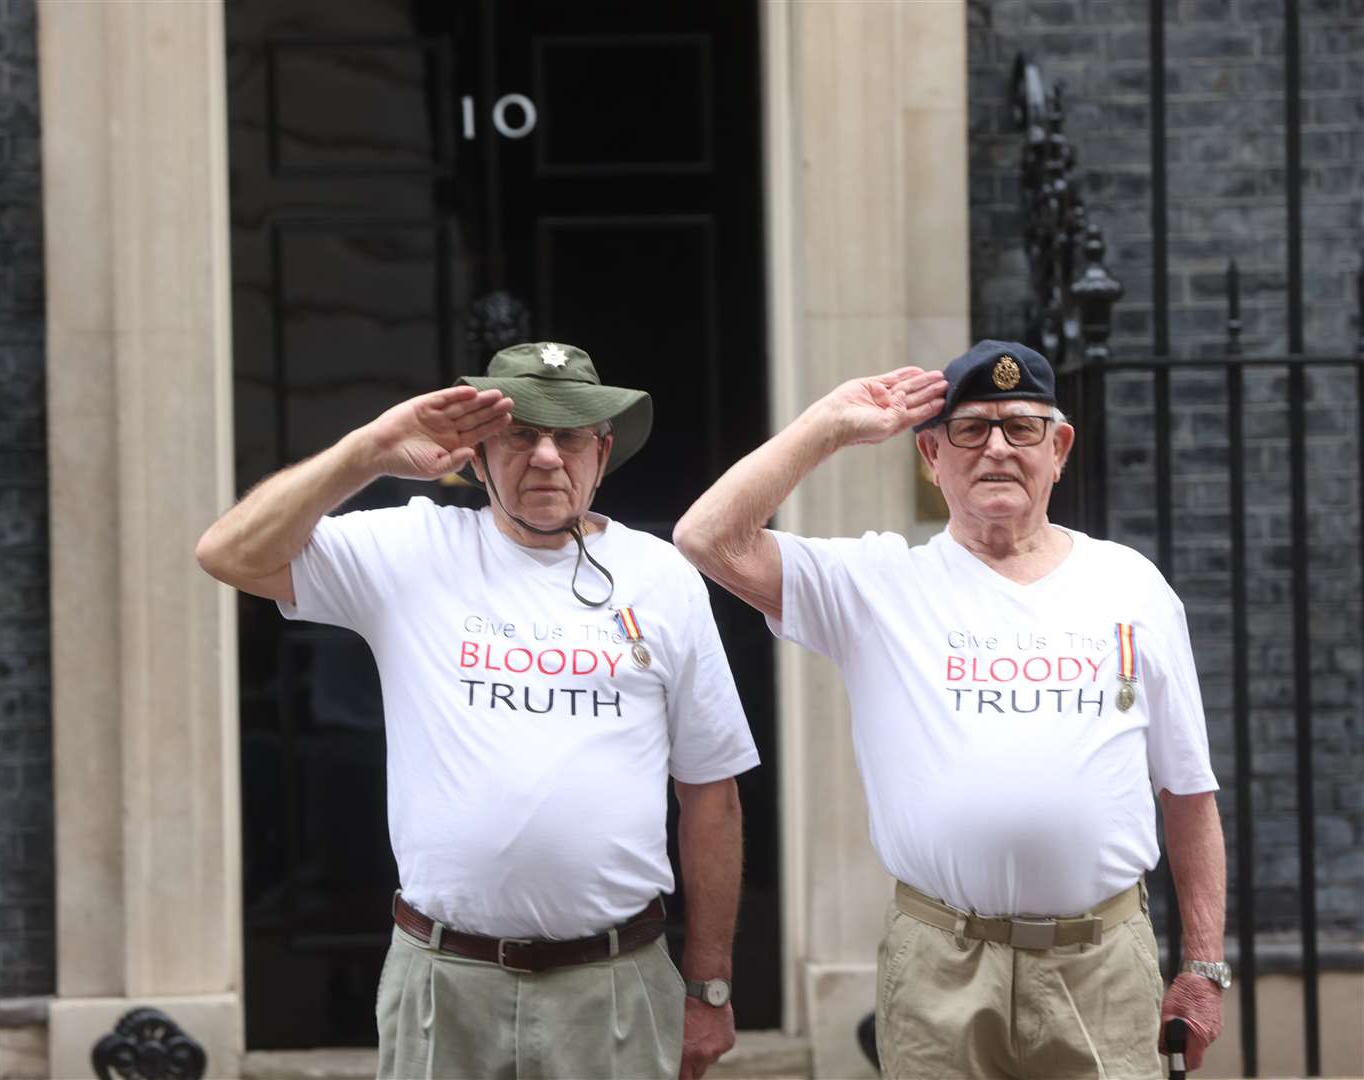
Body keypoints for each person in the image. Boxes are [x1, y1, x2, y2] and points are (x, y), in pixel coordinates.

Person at [197, 341, 759, 1080]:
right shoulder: (413, 545)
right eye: (522, 434)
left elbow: (711, 792)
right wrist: (365, 452)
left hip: (614, 985)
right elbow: (227, 553)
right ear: (479, 451)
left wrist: (708, 985)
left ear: (604, 449)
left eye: (570, 436)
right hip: (444, 983)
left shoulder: (661, 579)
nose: (548, 457)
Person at [673, 340, 1228, 1079]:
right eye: (971, 430)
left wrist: (1204, 965)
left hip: (1101, 963)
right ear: (930, 455)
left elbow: (1188, 789)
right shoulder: (878, 583)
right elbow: (705, 537)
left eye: (1022, 427)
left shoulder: (1133, 586)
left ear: (1058, 449)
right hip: (940, 962)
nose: (997, 447)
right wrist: (829, 426)